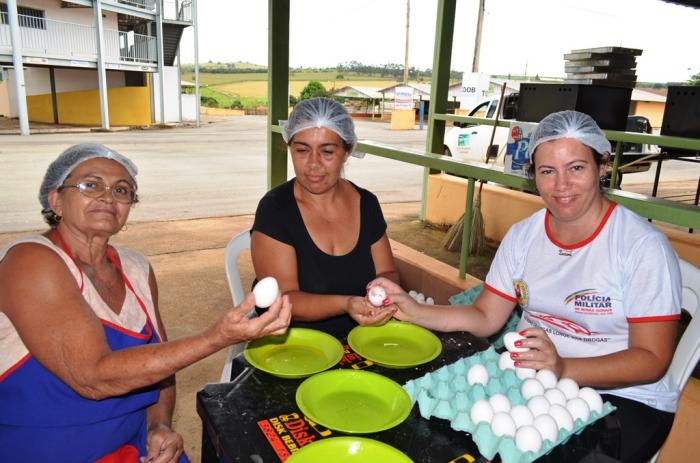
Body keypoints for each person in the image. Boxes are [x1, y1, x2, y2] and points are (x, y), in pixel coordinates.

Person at [371, 111, 681, 463]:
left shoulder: (640, 247)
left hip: (626, 398)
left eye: (576, 168)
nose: (561, 185)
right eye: (547, 171)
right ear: (533, 176)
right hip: (530, 375)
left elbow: (651, 360)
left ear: (603, 165)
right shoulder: (524, 237)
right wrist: (417, 311)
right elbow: (486, 315)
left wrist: (564, 368)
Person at [0, 143, 291, 463]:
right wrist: (217, 337)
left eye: (121, 189)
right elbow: (93, 377)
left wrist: (158, 424)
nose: (107, 196)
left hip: (134, 442)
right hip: (50, 450)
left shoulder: (136, 267)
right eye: (90, 185)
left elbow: (161, 368)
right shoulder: (30, 261)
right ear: (55, 199)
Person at [251, 97, 398, 335]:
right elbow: (285, 298)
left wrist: (381, 294)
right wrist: (347, 304)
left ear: (347, 151)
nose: (313, 164)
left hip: (363, 337)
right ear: (290, 147)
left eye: (327, 152)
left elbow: (387, 271)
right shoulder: (275, 210)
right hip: (295, 342)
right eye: (302, 150)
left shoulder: (367, 204)